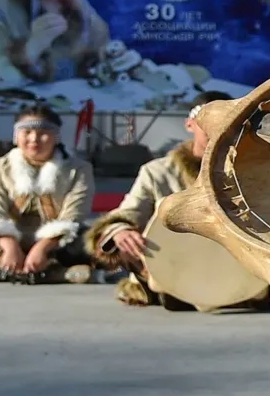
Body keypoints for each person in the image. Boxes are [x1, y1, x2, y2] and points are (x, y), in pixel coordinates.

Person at [86, 91, 235, 306]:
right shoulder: (157, 172)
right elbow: (126, 213)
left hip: (234, 271)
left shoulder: (253, 173)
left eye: (224, 121)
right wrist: (120, 231)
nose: (216, 129)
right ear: (190, 124)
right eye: (207, 121)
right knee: (126, 239)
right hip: (173, 269)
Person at [0, 104, 96, 284]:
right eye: (26, 132)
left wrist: (42, 248)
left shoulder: (79, 169)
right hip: (6, 243)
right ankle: (51, 272)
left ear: (56, 137)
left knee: (92, 240)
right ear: (16, 136)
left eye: (43, 133)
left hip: (56, 244)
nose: (34, 139)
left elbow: (73, 215)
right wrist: (9, 245)